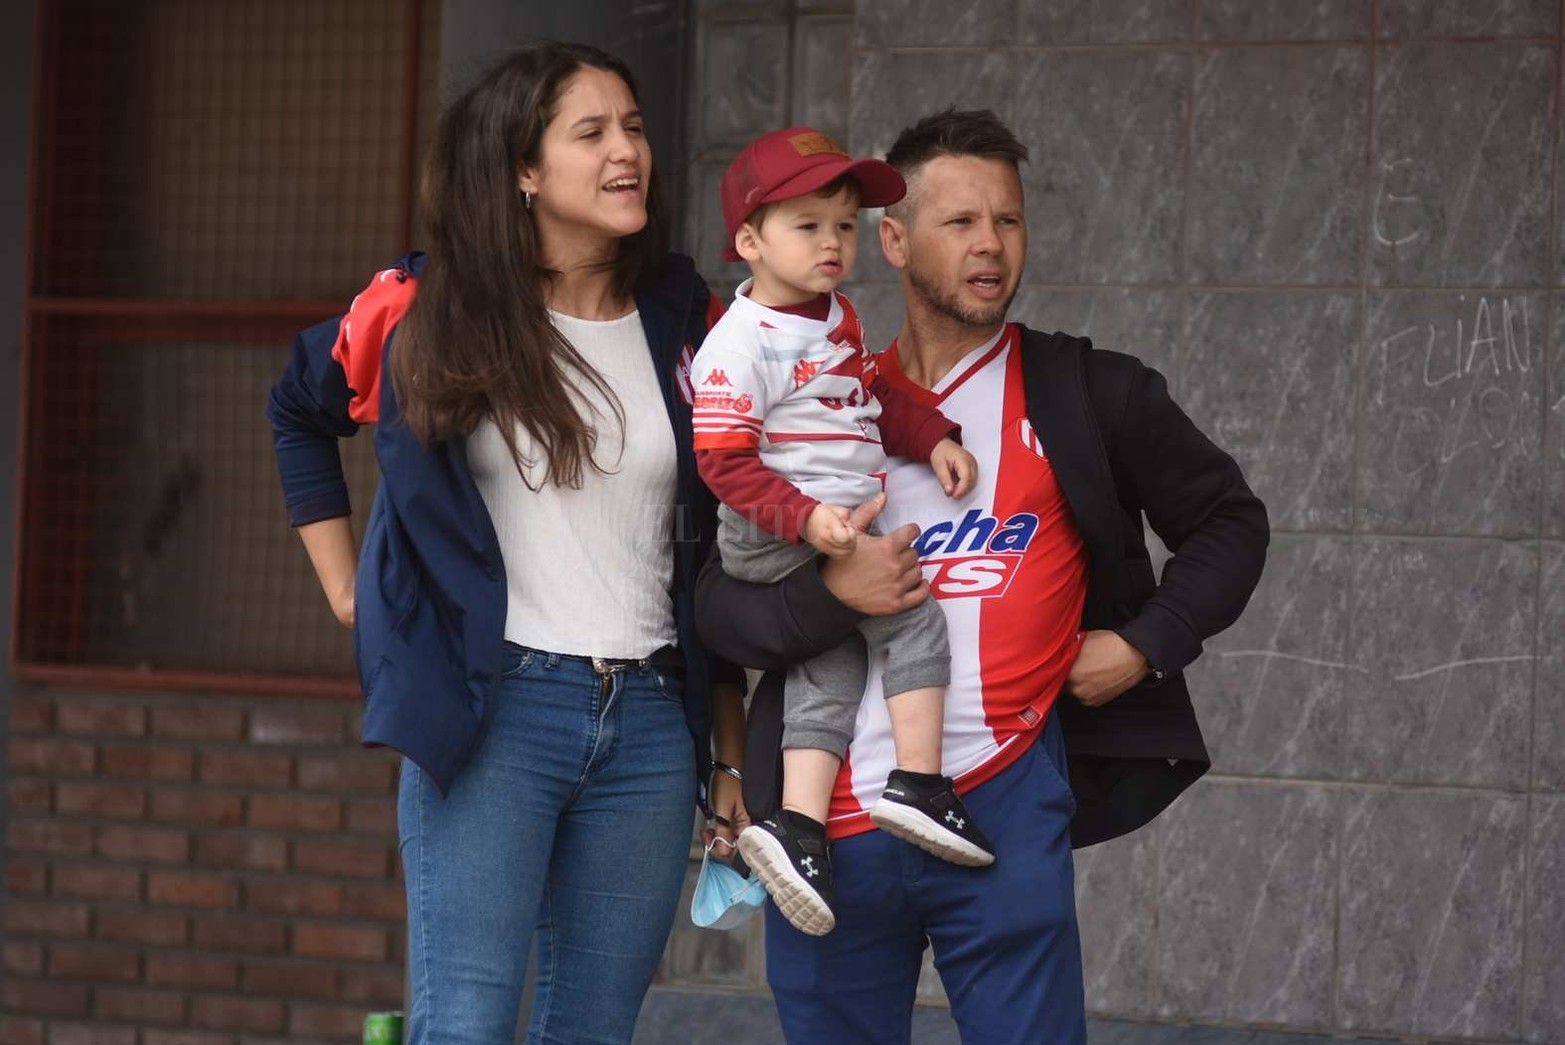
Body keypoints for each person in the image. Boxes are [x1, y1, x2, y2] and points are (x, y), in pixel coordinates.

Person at [695, 108, 1269, 1044]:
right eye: (958, 221)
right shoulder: (821, 399)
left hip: (995, 807)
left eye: (1006, 221)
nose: (989, 246)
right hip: (822, 829)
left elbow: (1230, 523)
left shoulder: (1086, 392)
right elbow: (717, 609)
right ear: (891, 238)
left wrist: (1140, 644)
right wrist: (831, 595)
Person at [266, 43, 747, 1044]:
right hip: (497, 713)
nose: (627, 152)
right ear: (524, 169)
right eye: (591, 133)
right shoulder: (423, 308)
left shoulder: (686, 318)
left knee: (591, 1030)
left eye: (634, 128)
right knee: (468, 1023)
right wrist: (346, 588)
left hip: (653, 725)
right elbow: (296, 407)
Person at [690, 127, 991, 938]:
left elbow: (870, 403)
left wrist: (932, 435)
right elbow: (721, 461)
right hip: (777, 533)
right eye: (806, 224)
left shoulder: (836, 318)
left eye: (845, 225)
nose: (832, 242)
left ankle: (797, 826)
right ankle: (919, 784)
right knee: (912, 615)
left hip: (819, 527)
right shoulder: (739, 343)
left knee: (834, 657)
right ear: (749, 240)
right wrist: (808, 520)